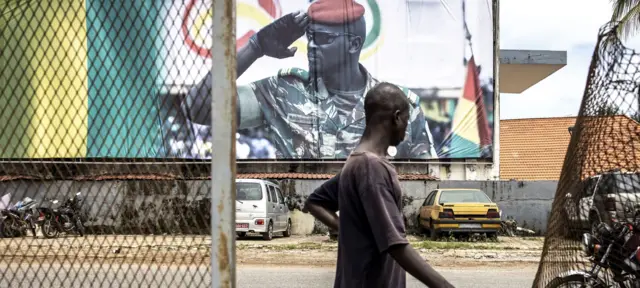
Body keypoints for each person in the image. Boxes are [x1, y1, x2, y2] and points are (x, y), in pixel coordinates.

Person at [182, 0, 438, 159]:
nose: (313, 47)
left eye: (324, 39)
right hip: (295, 231)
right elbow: (198, 108)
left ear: (354, 44)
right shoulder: (283, 93)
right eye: (311, 38)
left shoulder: (399, 106)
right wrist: (255, 47)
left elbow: (427, 180)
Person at [304, 83, 454, 288]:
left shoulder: (356, 161)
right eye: (407, 121)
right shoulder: (371, 167)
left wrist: (351, 231)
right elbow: (397, 246)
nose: (406, 128)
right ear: (397, 117)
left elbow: (315, 202)